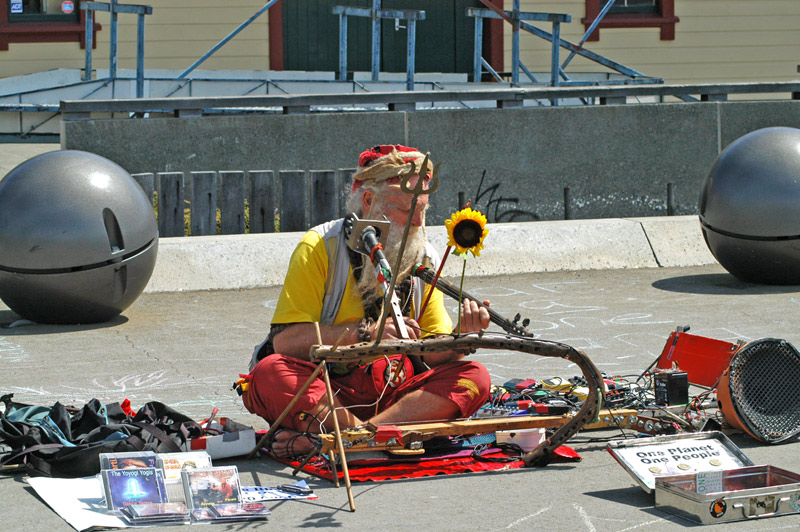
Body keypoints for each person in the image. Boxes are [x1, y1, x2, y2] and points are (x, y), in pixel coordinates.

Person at [239, 144, 492, 458]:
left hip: (394, 397)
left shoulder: (423, 256)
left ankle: (349, 440)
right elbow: (286, 342)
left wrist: (460, 341)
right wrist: (365, 334)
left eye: (423, 211)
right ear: (371, 201)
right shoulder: (319, 246)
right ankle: (372, 437)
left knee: (474, 377)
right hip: (326, 392)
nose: (417, 222)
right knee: (270, 373)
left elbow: (432, 352)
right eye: (406, 210)